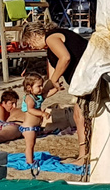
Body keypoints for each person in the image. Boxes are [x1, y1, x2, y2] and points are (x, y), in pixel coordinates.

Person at [20, 16, 89, 160]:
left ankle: (84, 156)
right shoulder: (50, 52)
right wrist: (38, 96)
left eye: (30, 43)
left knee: (79, 116)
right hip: (83, 79)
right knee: (79, 116)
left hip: (87, 75)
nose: (31, 47)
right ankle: (84, 153)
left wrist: (56, 79)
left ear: (35, 35)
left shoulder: (51, 38)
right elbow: (51, 80)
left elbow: (65, 58)